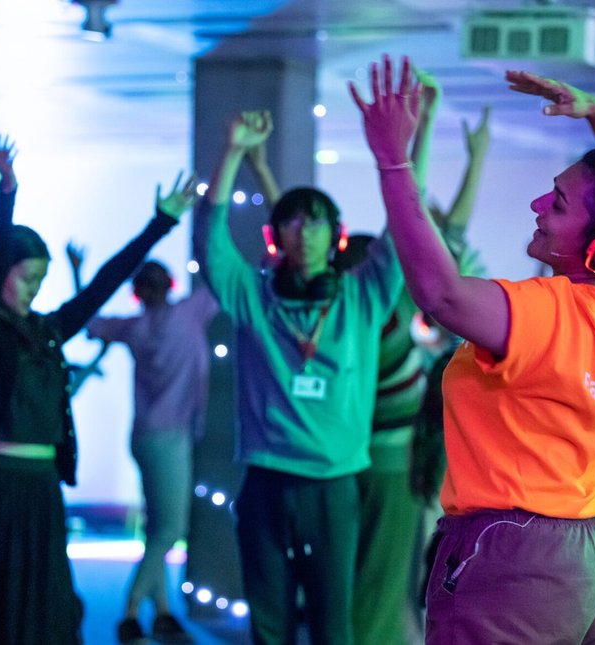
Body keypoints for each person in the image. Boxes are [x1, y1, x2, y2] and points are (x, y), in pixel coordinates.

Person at [350, 54, 595, 644]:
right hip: (592, 558)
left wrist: (393, 160)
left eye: (558, 203)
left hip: (513, 558)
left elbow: (441, 293)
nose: (538, 206)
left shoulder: (551, 313)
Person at [0, 135, 196, 644]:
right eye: (26, 276)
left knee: (42, 605)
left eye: (40, 278)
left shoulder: (48, 330)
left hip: (41, 487)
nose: (33, 288)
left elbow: (102, 285)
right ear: (3, 273)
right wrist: (6, 196)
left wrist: (159, 224)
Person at [192, 110, 403, 645]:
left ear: (335, 236)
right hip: (266, 479)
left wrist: (404, 148)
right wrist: (232, 153)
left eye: (315, 223)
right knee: (269, 624)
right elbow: (210, 243)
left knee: (334, 626)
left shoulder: (362, 297)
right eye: (292, 222)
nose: (303, 233)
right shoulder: (252, 295)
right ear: (276, 235)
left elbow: (405, 227)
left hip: (334, 486)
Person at [87, 260, 218, 644]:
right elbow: (219, 278)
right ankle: (130, 612)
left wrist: (81, 274)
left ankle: (162, 612)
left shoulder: (134, 327)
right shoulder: (187, 313)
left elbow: (92, 323)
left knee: (158, 528)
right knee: (170, 530)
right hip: (169, 438)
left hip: (147, 436)